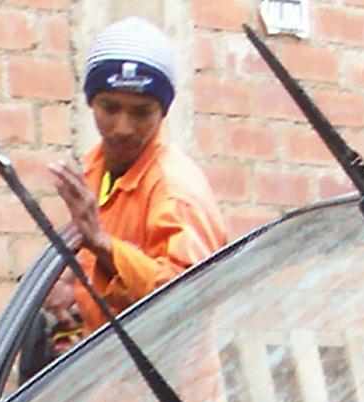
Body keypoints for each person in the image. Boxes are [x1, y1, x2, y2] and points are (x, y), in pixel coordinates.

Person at [40, 17, 229, 348]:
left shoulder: (175, 190)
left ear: (163, 112)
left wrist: (102, 244)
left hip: (168, 378)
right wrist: (69, 286)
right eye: (110, 108)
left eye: (141, 112)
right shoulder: (96, 169)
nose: (123, 127)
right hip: (110, 371)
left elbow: (186, 299)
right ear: (91, 102)